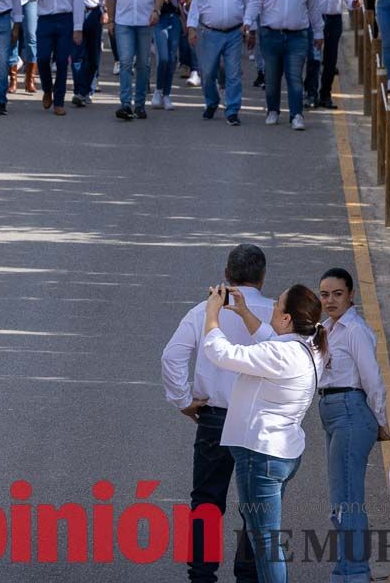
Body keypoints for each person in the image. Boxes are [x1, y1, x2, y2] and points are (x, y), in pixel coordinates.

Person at [161, 244, 273, 583]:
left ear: (226, 274)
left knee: (207, 501)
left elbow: (172, 357)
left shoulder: (203, 311)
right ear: (263, 278)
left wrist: (183, 400)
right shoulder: (274, 314)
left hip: (214, 418)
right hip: (259, 420)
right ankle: (248, 573)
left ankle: (203, 574)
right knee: (254, 505)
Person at [203, 283, 328, 583]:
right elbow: (273, 341)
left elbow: (220, 352)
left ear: (287, 318)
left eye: (277, 303)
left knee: (265, 542)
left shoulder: (282, 353)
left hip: (259, 456)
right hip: (279, 454)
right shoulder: (309, 346)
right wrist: (245, 313)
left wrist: (212, 313)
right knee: (263, 536)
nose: (272, 305)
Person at [316, 267, 390, 583]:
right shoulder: (327, 329)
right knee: (341, 498)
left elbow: (372, 379)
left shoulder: (354, 330)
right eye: (324, 294)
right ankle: (348, 570)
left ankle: (355, 573)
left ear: (350, 295)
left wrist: (382, 421)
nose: (330, 300)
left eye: (337, 294)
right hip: (333, 410)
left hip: (351, 409)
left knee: (348, 498)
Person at [243, 0, 324, 130]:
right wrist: (248, 22)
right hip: (271, 36)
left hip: (298, 37)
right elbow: (255, 3)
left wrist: (319, 32)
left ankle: (296, 115)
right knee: (271, 78)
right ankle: (273, 110)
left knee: (294, 77)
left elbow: (314, 8)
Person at [107, 0, 165, 120]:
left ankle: (140, 104)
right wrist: (111, 19)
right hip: (123, 19)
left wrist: (156, 10)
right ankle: (125, 104)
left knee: (143, 64)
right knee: (125, 62)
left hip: (145, 20)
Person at [188, 0, 248, 125]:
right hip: (209, 33)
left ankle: (232, 110)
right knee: (207, 74)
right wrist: (191, 29)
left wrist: (251, 30)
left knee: (233, 73)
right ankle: (212, 102)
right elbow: (194, 9)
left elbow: (249, 7)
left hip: (234, 34)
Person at [28, 0, 85, 115]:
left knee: (61, 61)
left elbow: (77, 1)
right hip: (45, 20)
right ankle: (47, 89)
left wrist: (78, 28)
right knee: (43, 58)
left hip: (65, 20)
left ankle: (59, 101)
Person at [306, 0, 358, 110]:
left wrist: (353, 2)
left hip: (335, 19)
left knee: (330, 59)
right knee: (314, 58)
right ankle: (311, 94)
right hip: (315, 19)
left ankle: (325, 94)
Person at [152, 0, 182, 111]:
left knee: (171, 58)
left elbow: (180, 4)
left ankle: (167, 94)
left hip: (174, 20)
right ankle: (158, 90)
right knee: (162, 57)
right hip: (160, 21)